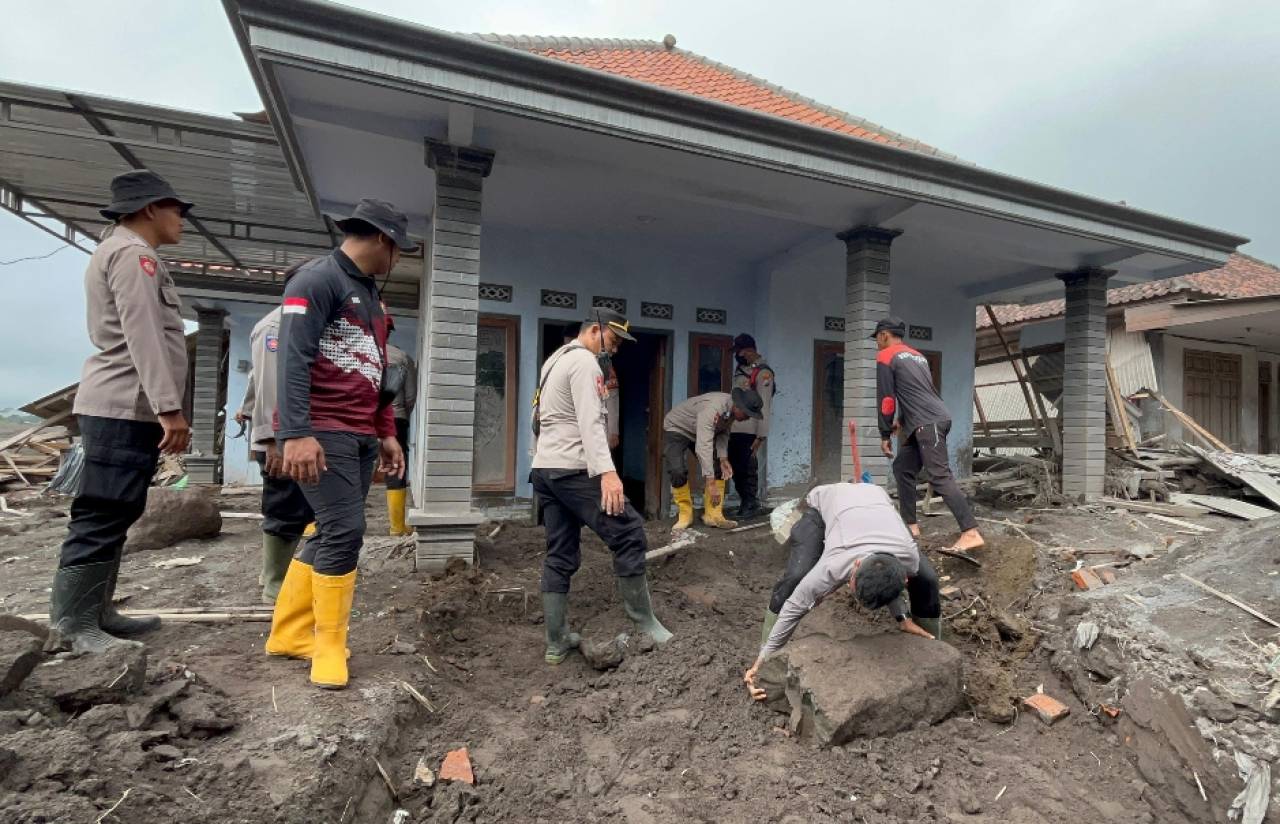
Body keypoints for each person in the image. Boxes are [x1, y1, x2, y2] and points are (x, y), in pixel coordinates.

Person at [264, 199, 412, 690]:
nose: (398, 260)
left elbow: (379, 371)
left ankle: (288, 634)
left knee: (331, 529)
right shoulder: (315, 281)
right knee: (346, 532)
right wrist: (295, 433)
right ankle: (327, 646)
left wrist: (386, 431)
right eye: (399, 250)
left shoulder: (369, 295)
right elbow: (292, 359)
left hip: (360, 431)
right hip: (322, 430)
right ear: (383, 240)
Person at [46, 169, 193, 653]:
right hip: (124, 405)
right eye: (176, 210)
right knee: (104, 510)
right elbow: (143, 333)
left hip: (127, 404)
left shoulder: (124, 251)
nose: (182, 221)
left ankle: (96, 612)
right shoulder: (133, 255)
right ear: (150, 209)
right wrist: (168, 409)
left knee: (119, 508)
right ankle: (74, 624)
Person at [532, 308, 671, 665]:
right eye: (613, 341)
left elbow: (539, 417)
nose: (615, 350)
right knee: (629, 532)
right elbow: (590, 421)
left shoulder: (554, 360)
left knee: (560, 552)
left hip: (546, 468)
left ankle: (556, 641)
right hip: (573, 467)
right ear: (595, 330)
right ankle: (645, 624)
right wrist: (607, 473)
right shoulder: (585, 362)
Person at [744, 482, 941, 701]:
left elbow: (887, 574)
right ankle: (766, 643)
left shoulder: (908, 557)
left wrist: (902, 616)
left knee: (928, 580)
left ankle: (930, 648)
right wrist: (762, 662)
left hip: (877, 500)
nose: (848, 588)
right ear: (856, 565)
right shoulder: (834, 564)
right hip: (825, 502)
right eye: (851, 585)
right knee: (796, 576)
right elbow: (794, 607)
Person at [235, 259, 316, 604]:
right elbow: (270, 382)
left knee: (300, 507)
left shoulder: (300, 323)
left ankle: (277, 574)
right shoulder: (276, 325)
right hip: (281, 438)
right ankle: (275, 583)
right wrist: (272, 440)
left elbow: (256, 381)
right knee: (285, 505)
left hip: (293, 432)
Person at [873, 316, 983, 554]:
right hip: (932, 418)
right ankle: (910, 527)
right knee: (903, 467)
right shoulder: (918, 356)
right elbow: (918, 393)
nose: (877, 343)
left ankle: (970, 532)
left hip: (928, 422)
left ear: (884, 335)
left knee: (939, 475)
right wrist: (902, 421)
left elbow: (887, 399)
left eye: (877, 339)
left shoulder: (886, 356)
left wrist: (885, 432)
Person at [664, 388, 763, 534]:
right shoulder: (713, 410)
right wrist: (711, 483)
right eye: (747, 414)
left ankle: (713, 515)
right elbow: (703, 447)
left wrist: (723, 458)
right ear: (738, 406)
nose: (748, 418)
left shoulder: (731, 411)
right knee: (677, 470)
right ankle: (685, 514)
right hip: (678, 428)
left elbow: (722, 432)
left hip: (700, 430)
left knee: (718, 467)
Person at [728, 333, 775, 519]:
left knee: (746, 469)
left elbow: (764, 405)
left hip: (749, 430)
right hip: (734, 427)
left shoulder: (763, 374)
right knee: (736, 469)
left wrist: (760, 436)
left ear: (748, 351)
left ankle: (750, 505)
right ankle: (745, 503)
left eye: (739, 351)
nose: (737, 355)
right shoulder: (742, 370)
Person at [384, 315, 417, 536]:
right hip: (395, 418)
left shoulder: (353, 351)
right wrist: (403, 415)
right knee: (396, 467)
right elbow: (410, 395)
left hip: (357, 418)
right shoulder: (402, 356)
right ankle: (396, 526)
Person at [564, 323, 619, 452]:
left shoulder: (603, 367)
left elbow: (611, 398)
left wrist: (613, 430)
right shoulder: (559, 364)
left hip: (594, 434)